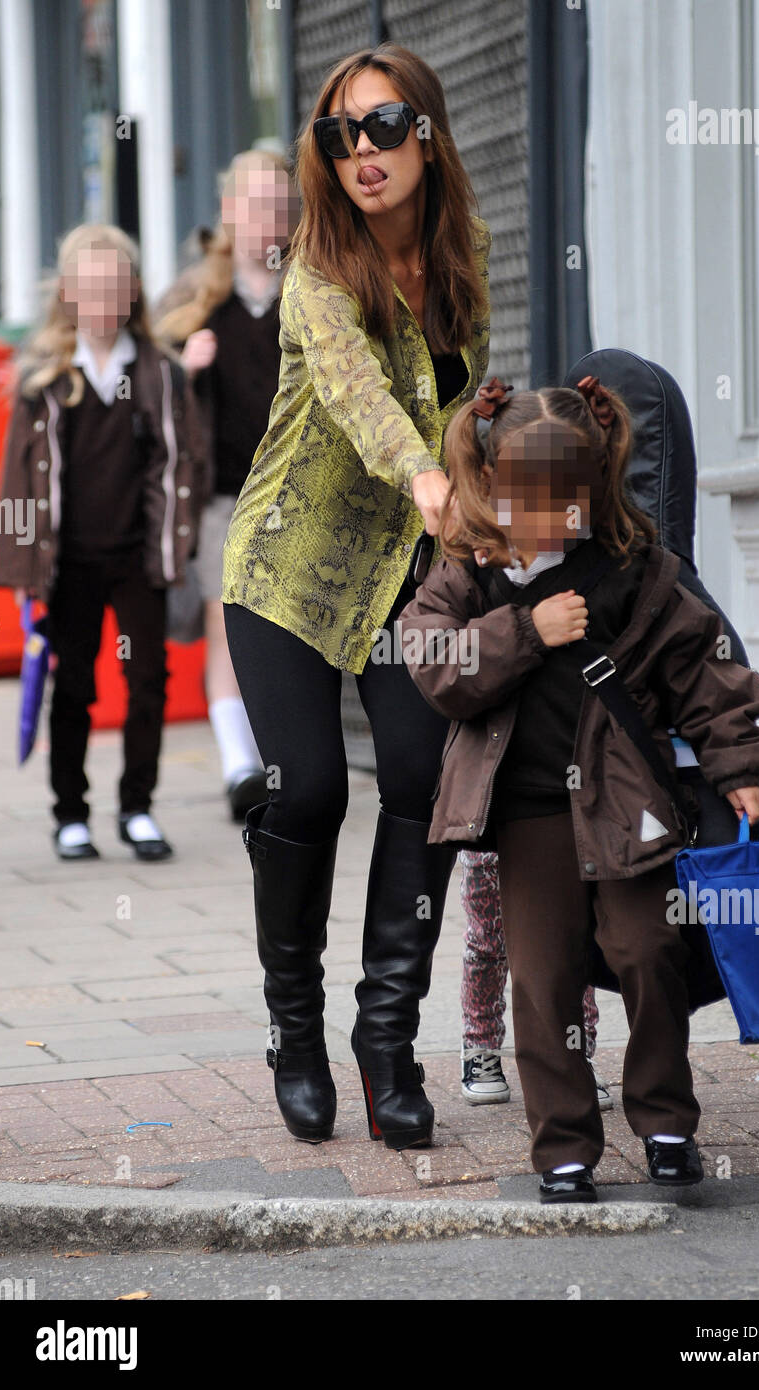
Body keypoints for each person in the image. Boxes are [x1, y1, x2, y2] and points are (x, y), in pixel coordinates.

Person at [398, 376, 759, 1202]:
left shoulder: (637, 569)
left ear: (592, 488)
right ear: (491, 486)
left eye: (559, 504)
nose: (539, 523)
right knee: (541, 979)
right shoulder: (469, 564)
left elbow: (706, 673)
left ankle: (666, 1122)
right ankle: (563, 1147)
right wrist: (523, 632)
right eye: (521, 503)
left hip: (626, 802)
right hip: (529, 812)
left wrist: (741, 767)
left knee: (648, 952)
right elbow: (429, 658)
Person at [221, 43, 491, 1149]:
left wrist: (483, 480)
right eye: (340, 136)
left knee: (425, 776)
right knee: (307, 790)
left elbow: (464, 404)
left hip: (400, 579)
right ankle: (296, 1027)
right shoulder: (319, 273)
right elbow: (358, 393)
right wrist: (425, 472)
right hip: (286, 567)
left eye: (383, 127)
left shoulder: (463, 255)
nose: (362, 153)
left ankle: (387, 1040)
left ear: (425, 132)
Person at [0, 224, 206, 861]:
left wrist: (176, 544)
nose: (104, 298)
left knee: (147, 680)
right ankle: (70, 813)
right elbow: (16, 479)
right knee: (75, 684)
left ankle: (137, 807)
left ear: (134, 292)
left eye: (115, 285)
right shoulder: (47, 379)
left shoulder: (159, 374)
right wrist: (24, 565)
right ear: (68, 294)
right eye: (90, 287)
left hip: (138, 558)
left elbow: (181, 459)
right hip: (68, 563)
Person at [155, 150, 301, 820]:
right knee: (227, 623)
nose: (267, 216)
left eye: (280, 203)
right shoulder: (194, 300)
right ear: (228, 213)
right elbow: (141, 395)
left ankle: (288, 758)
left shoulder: (311, 289)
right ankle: (241, 766)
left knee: (295, 627)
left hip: (300, 493)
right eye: (254, 202)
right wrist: (183, 367)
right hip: (223, 494)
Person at [458, 849, 610, 1109]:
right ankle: (480, 1045)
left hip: (558, 818)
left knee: (572, 938)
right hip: (486, 821)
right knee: (487, 938)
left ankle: (577, 1052)